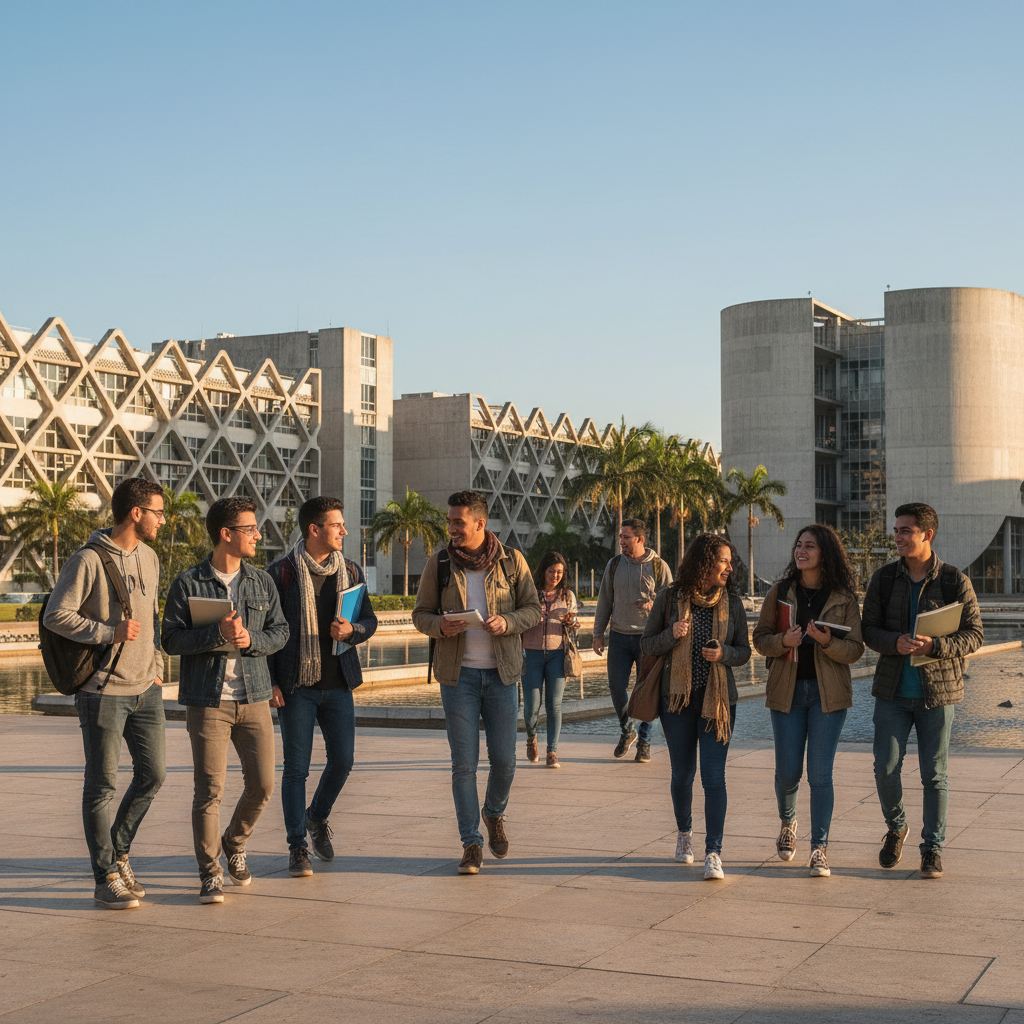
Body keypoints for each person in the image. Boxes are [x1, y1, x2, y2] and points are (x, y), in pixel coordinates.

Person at [43, 477, 167, 910]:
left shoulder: (150, 558)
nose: (162, 519)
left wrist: (156, 668)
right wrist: (107, 632)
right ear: (137, 513)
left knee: (154, 774)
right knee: (101, 787)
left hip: (145, 688)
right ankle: (104, 877)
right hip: (103, 690)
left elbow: (150, 617)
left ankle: (120, 851)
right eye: (157, 511)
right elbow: (56, 614)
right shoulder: (87, 560)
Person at [162, 497, 288, 904]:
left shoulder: (262, 582)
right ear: (226, 533)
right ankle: (210, 871)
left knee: (264, 784)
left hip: (253, 697)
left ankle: (235, 842)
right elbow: (171, 640)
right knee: (209, 789)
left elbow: (280, 631)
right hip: (208, 701)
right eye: (250, 529)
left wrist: (251, 640)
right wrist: (217, 634)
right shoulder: (188, 583)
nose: (257, 535)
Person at [412, 490, 541, 875]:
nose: (451, 528)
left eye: (458, 522)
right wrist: (440, 625)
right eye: (449, 521)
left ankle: (493, 812)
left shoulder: (512, 561)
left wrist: (509, 622)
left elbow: (533, 608)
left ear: (480, 524)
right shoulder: (439, 564)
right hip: (458, 678)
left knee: (505, 762)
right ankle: (471, 843)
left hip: (502, 675)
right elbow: (420, 615)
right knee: (463, 765)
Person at [862, 503, 983, 879]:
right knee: (885, 768)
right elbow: (869, 631)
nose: (897, 537)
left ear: (927, 534)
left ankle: (932, 849)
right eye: (896, 530)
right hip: (892, 692)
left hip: (938, 694)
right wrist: (893, 641)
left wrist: (936, 646)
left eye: (905, 531)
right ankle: (896, 827)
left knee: (934, 775)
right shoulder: (883, 579)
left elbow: (975, 634)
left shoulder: (953, 580)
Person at [267, 496, 377, 878]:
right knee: (296, 768)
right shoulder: (281, 573)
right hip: (296, 686)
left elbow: (369, 618)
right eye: (337, 525)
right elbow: (267, 632)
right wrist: (271, 683)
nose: (345, 531)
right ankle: (298, 846)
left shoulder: (350, 570)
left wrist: (354, 631)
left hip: (338, 682)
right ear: (315, 530)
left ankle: (317, 817)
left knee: (343, 761)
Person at [752, 524, 864, 878]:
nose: (801, 551)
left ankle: (820, 848)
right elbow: (760, 639)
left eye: (810, 546)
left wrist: (827, 641)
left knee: (820, 775)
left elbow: (856, 650)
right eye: (799, 545)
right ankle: (788, 822)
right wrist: (784, 641)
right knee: (787, 773)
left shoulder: (843, 597)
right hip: (786, 693)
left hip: (827, 697)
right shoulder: (781, 592)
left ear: (824, 553)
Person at [640, 533, 750, 879]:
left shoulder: (732, 602)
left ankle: (713, 852)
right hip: (677, 701)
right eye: (724, 560)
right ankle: (684, 833)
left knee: (714, 777)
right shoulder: (670, 598)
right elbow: (647, 645)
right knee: (682, 774)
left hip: (718, 703)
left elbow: (744, 652)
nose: (729, 567)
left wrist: (724, 654)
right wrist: (671, 634)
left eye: (730, 562)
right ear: (705, 562)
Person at [593, 518, 672, 763]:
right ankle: (628, 731)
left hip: (648, 640)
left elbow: (672, 603)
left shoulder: (659, 566)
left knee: (649, 692)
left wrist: (653, 604)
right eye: (620, 537)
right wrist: (597, 634)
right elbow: (604, 600)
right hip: (618, 637)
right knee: (616, 688)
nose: (621, 542)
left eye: (626, 537)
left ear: (640, 539)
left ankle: (645, 742)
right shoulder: (614, 564)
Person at [520, 551, 579, 769]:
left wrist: (571, 623)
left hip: (557, 653)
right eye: (552, 571)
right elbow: (520, 619)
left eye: (560, 572)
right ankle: (531, 737)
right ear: (543, 571)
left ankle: (552, 751)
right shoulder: (530, 594)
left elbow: (575, 626)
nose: (555, 576)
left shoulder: (567, 596)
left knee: (554, 705)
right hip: (532, 653)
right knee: (531, 707)